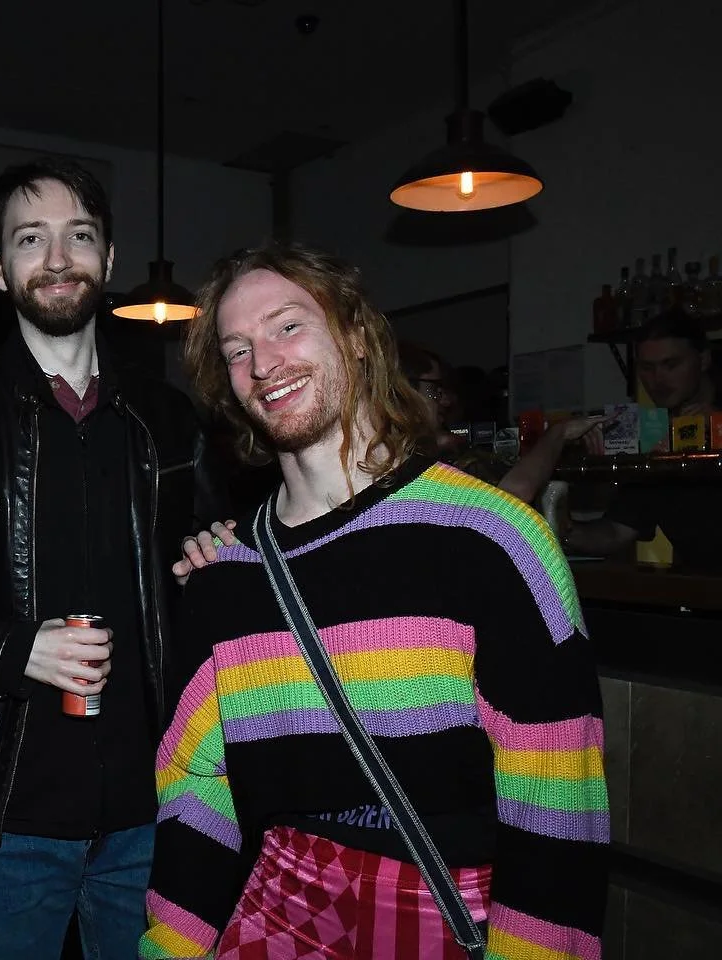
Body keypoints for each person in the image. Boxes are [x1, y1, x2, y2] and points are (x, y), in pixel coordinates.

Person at [144, 242, 608, 959]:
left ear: (357, 338)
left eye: (287, 326)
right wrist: (171, 949)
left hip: (446, 913)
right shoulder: (226, 573)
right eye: (237, 350)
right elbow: (193, 783)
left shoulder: (491, 537)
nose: (263, 363)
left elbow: (557, 792)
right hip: (278, 915)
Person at [0, 157, 227, 960]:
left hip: (157, 810)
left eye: (80, 236)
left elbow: (211, 569)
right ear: (0, 269)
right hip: (3, 821)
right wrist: (16, 647)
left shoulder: (170, 421)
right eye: (31, 239)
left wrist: (214, 562)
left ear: (109, 260)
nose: (59, 257)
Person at [561, 309, 720, 567]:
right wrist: (560, 527)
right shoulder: (654, 436)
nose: (658, 379)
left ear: (702, 360)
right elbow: (616, 531)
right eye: (647, 368)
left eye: (671, 364)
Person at [397, 341, 608, 503]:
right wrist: (559, 433)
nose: (446, 400)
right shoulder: (404, 458)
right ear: (404, 393)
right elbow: (513, 494)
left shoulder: (435, 448)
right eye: (434, 390)